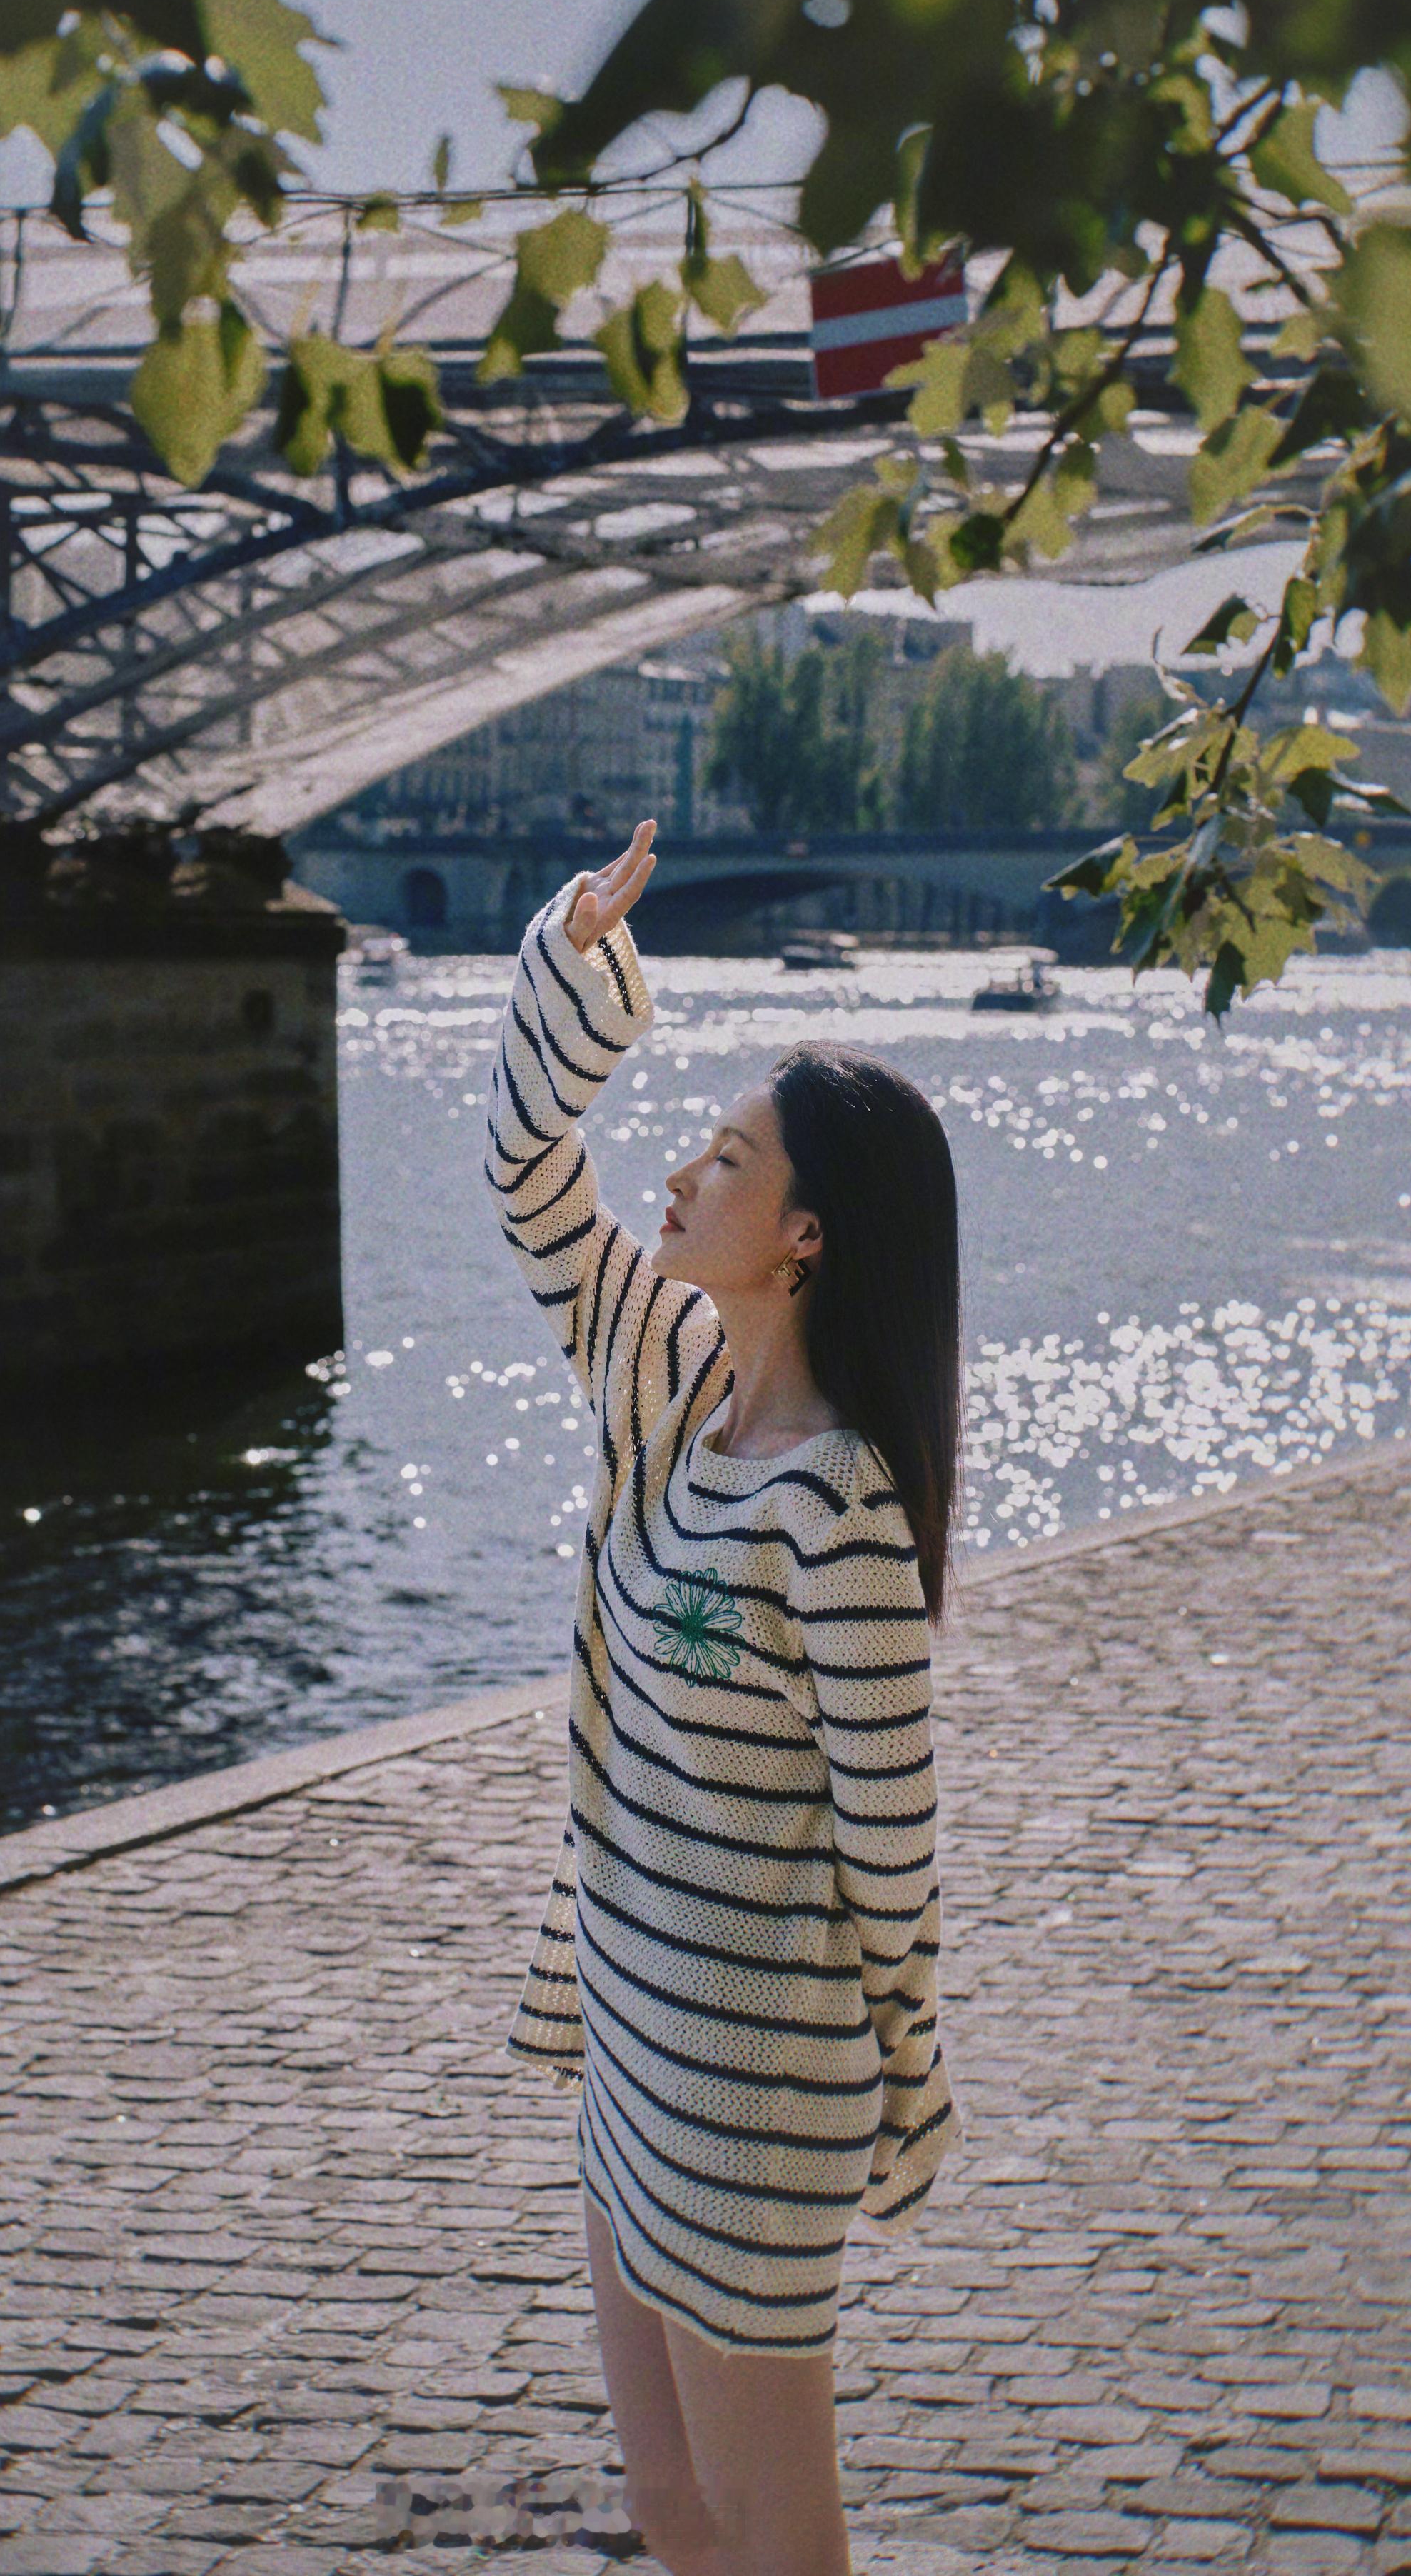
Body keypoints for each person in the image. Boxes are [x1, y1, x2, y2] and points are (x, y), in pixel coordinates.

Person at [484, 819, 965, 2576]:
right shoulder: (669, 1385)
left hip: (750, 2082)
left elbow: (892, 1855)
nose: (679, 1172)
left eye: (728, 1158)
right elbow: (528, 1166)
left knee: (776, 2527)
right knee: (674, 2508)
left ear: (807, 1237)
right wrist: (575, 960)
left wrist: (901, 2080)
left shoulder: (838, 1511)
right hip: (631, 2035)